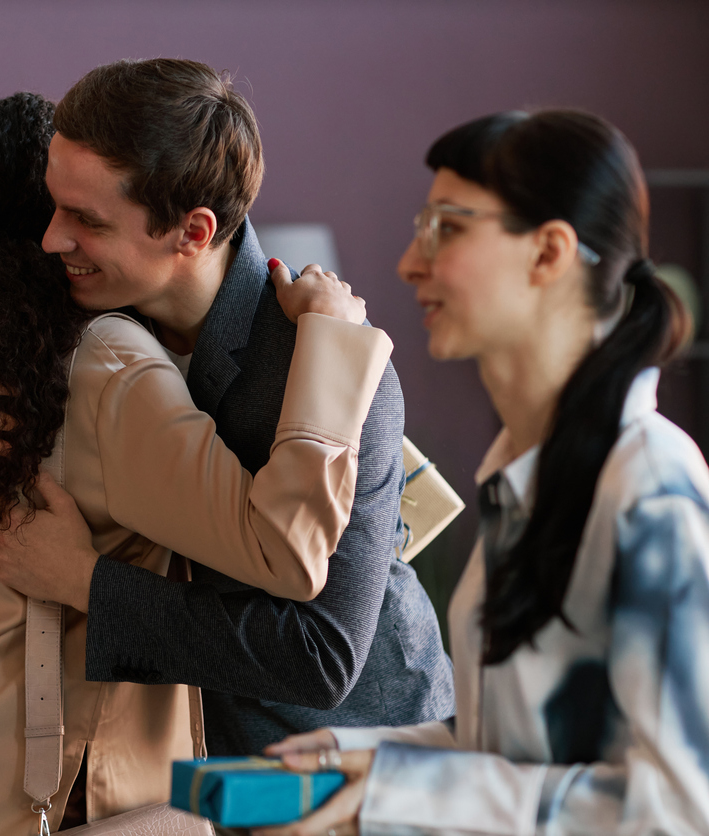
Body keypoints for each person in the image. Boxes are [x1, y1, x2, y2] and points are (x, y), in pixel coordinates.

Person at [0, 58, 455, 761]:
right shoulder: (95, 294)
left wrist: (84, 581)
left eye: (84, 219)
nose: (50, 238)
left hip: (354, 750)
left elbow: (320, 657)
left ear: (191, 231)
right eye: (50, 205)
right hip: (189, 754)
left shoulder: (329, 362)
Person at [256, 110, 709, 836]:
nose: (410, 261)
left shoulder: (647, 485)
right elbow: (515, 753)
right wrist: (356, 758)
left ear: (549, 252)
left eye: (448, 227)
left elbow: (677, 810)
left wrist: (408, 791)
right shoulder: (520, 474)